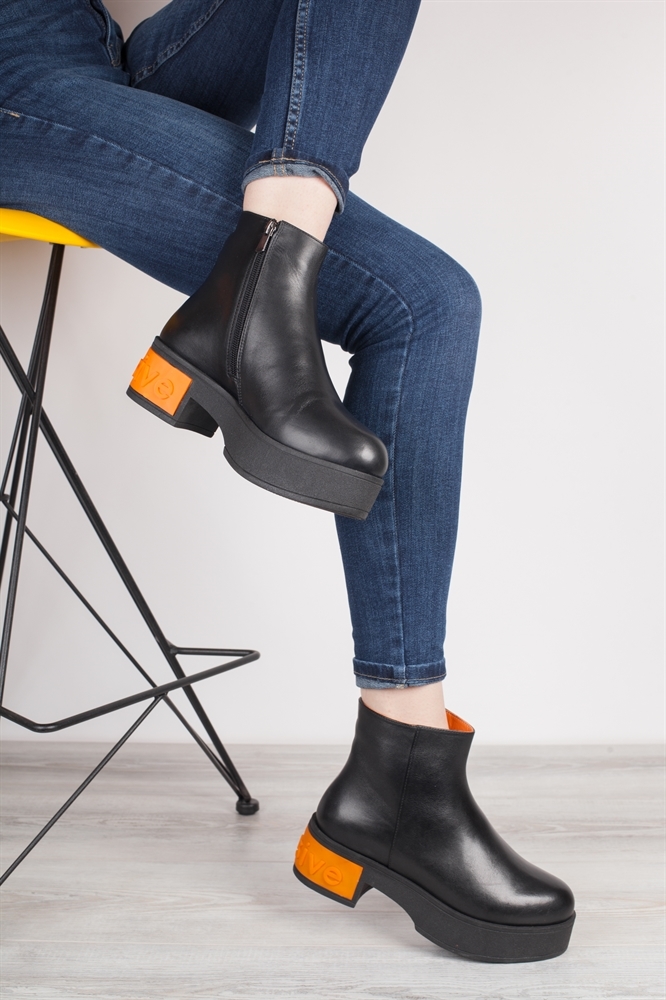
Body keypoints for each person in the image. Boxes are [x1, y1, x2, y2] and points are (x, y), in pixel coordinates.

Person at [1, 0, 574, 962]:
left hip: (98, 51)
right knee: (426, 304)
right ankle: (400, 776)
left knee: (429, 302)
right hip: (15, 87)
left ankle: (247, 304)